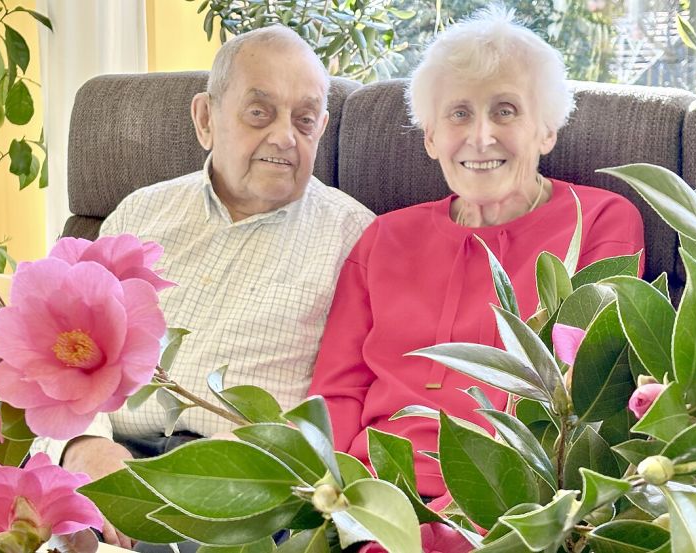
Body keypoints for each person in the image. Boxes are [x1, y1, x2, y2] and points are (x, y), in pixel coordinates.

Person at [36, 26, 374, 547]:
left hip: (242, 486)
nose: (285, 136)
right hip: (109, 453)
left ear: (322, 128)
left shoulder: (356, 238)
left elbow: (355, 394)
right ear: (205, 119)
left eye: (304, 120)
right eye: (259, 112)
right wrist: (84, 448)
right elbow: (59, 360)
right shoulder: (139, 212)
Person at [307, 7, 645, 501]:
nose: (481, 136)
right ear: (431, 136)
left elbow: (594, 399)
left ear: (547, 129)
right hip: (374, 491)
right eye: (459, 113)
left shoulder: (599, 221)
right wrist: (330, 500)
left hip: (512, 497)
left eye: (505, 110)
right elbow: (336, 392)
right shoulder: (383, 238)